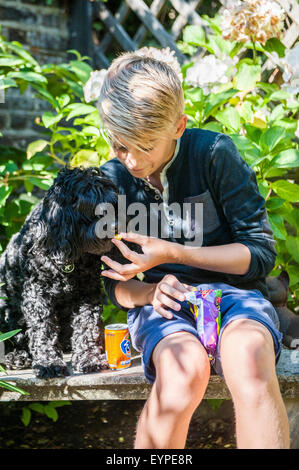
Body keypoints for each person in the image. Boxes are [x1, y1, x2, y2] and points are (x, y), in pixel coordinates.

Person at [96, 47, 290, 449]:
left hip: (238, 298)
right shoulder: (111, 180)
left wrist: (174, 253)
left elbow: (259, 254)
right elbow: (111, 284)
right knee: (181, 373)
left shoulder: (215, 155)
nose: (131, 160)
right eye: (119, 146)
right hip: (162, 307)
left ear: (179, 126)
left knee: (250, 359)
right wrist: (149, 290)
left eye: (144, 146)